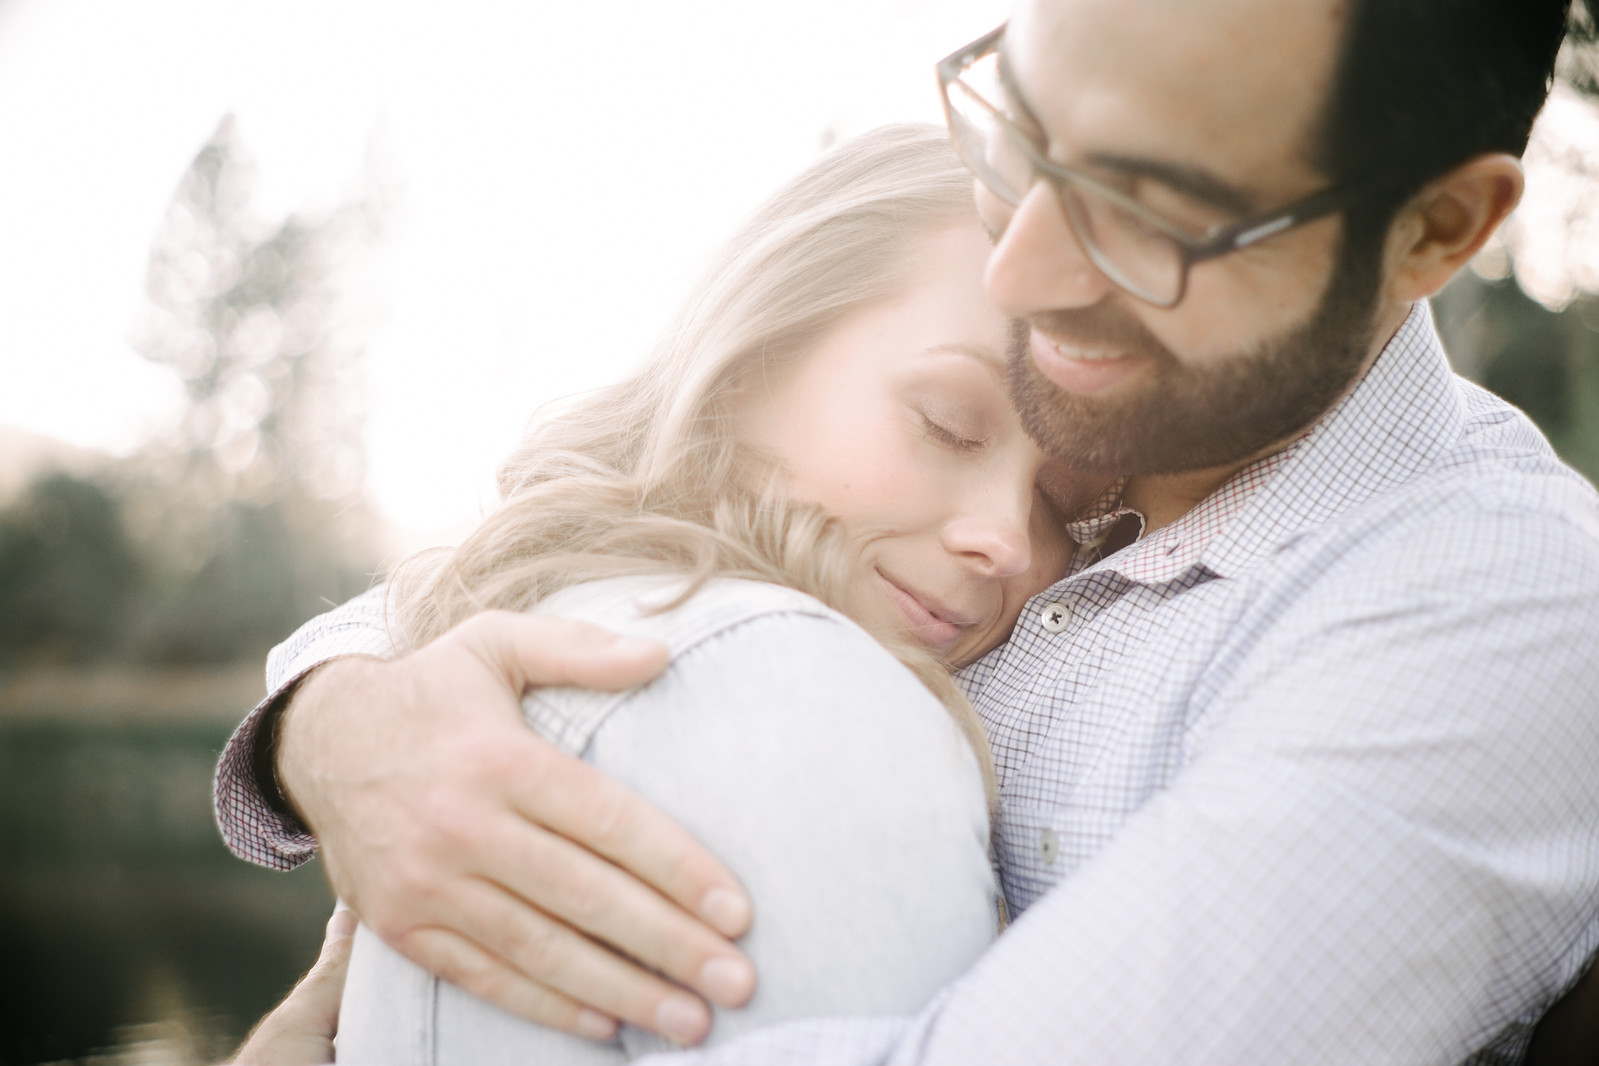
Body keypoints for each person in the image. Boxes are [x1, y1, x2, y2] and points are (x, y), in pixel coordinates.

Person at [215, 0, 1599, 1062]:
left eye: (1147, 216)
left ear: (1433, 230)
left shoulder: (1486, 603)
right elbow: (614, 531)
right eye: (1021, 133)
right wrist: (335, 725)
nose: (1021, 267)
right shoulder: (1098, 397)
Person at [319, 124, 1088, 1063]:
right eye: (948, 425)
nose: (1007, 540)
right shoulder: (794, 692)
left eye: (1062, 501)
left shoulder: (564, 611)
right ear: (751, 358)